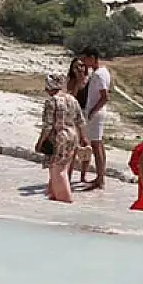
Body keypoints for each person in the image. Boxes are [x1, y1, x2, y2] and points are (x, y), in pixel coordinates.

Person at [35, 73, 88, 203]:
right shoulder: (72, 99)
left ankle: (65, 199)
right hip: (72, 136)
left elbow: (48, 126)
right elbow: (80, 121)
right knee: (63, 167)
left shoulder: (51, 101)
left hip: (59, 137)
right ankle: (53, 194)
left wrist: (40, 142)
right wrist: (83, 138)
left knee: (58, 170)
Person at [81, 46, 110, 190]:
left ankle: (100, 178)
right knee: (99, 144)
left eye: (85, 59)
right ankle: (101, 175)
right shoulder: (102, 71)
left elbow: (105, 97)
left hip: (96, 112)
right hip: (97, 112)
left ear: (92, 58)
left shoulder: (99, 74)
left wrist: (92, 111)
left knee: (96, 145)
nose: (84, 62)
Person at [65, 57, 92, 182]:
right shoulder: (71, 81)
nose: (80, 68)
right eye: (76, 66)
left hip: (87, 112)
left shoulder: (90, 79)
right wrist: (77, 81)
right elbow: (72, 97)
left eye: (81, 65)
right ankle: (68, 175)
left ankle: (83, 175)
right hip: (76, 113)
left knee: (87, 146)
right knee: (74, 145)